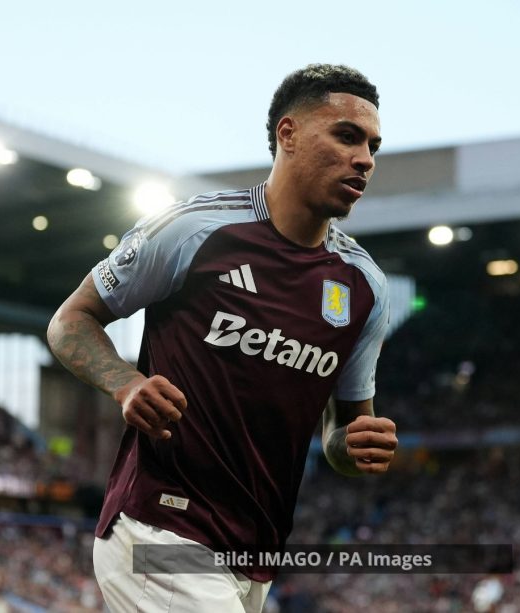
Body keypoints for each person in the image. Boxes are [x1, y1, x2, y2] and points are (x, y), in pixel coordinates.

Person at [47, 63, 398, 612]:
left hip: (255, 550)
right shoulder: (195, 230)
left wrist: (355, 448)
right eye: (347, 136)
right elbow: (71, 320)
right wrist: (126, 383)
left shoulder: (364, 287)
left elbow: (343, 432)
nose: (365, 159)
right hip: (161, 527)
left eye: (373, 146)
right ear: (288, 134)